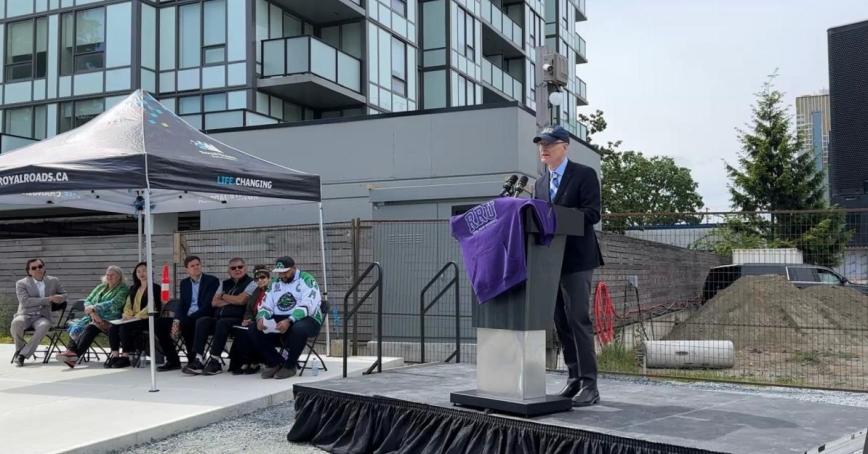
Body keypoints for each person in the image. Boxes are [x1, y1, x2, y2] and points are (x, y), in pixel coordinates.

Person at [532, 125, 605, 407]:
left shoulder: (584, 174)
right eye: (540, 144)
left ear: (565, 146)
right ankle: (573, 378)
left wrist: (557, 215)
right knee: (560, 322)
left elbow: (592, 213)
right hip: (550, 263)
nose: (543, 148)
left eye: (549, 143)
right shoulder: (539, 183)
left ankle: (590, 384)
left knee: (578, 319)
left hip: (576, 259)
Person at [248, 256, 323, 380]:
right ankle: (275, 362)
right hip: (280, 317)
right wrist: (261, 317)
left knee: (298, 329)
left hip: (308, 318)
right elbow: (266, 304)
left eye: (285, 272)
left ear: (294, 268)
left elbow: (309, 304)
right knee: (253, 329)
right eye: (279, 273)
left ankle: (290, 365)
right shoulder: (275, 283)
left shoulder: (306, 279)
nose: (282, 275)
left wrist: (290, 320)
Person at [183, 257, 255, 375]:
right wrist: (233, 299)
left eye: (240, 267)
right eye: (233, 268)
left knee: (222, 323)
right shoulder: (224, 283)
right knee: (202, 320)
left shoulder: (251, 283)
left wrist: (224, 296)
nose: (237, 270)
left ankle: (215, 361)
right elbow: (214, 302)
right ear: (229, 271)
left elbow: (241, 300)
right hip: (219, 317)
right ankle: (198, 360)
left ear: (245, 268)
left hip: (237, 319)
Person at [155, 255, 220, 372]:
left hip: (204, 316)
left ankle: (194, 360)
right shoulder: (184, 283)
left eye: (198, 265)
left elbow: (208, 305)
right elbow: (182, 304)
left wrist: (184, 319)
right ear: (187, 270)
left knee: (187, 323)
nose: (196, 267)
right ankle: (173, 360)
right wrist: (176, 320)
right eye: (192, 266)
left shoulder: (212, 281)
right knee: (159, 324)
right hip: (187, 317)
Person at [56, 266, 129, 368]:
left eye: (112, 275)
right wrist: (92, 313)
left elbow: (115, 303)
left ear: (119, 276)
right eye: (107, 275)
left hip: (111, 321)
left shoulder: (123, 289)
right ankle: (71, 354)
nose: (109, 277)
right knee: (79, 324)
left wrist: (94, 308)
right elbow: (88, 300)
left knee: (90, 327)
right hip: (94, 318)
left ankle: (73, 355)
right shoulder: (101, 287)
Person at [104, 262, 162, 368]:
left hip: (146, 319)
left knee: (124, 327)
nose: (141, 273)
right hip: (132, 318)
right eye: (138, 271)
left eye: (144, 270)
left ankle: (125, 356)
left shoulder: (155, 288)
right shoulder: (134, 288)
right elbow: (128, 304)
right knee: (113, 327)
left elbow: (151, 306)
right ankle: (115, 356)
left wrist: (136, 316)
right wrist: (127, 315)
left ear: (150, 272)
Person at [11, 259, 67, 367]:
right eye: (34, 268)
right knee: (16, 323)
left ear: (44, 267)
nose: (38, 269)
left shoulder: (53, 281)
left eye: (40, 266)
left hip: (42, 316)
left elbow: (64, 295)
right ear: (29, 271)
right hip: (24, 314)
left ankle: (22, 355)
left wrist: (60, 298)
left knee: (44, 325)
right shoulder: (21, 283)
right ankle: (20, 350)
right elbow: (25, 302)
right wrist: (48, 299)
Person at [227, 266, 271, 375]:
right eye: (256, 279)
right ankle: (244, 361)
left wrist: (256, 320)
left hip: (267, 321)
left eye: (262, 277)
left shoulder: (273, 290)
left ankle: (254, 362)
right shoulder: (256, 291)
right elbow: (249, 310)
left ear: (269, 278)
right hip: (254, 321)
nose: (260, 281)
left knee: (251, 330)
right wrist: (247, 319)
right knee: (240, 329)